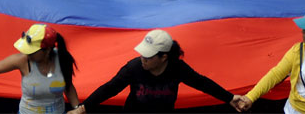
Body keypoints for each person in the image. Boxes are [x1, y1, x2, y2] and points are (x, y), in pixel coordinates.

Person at [75, 30, 240, 112]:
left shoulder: (178, 68)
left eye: (148, 56)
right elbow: (110, 88)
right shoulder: (133, 68)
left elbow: (202, 83)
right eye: (142, 54)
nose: (143, 59)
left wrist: (230, 98)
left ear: (164, 57)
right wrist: (82, 108)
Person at [0, 24, 80, 113]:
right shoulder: (22, 61)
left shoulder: (62, 59)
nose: (28, 54)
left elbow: (68, 87)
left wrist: (77, 108)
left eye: (32, 51)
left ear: (47, 50)